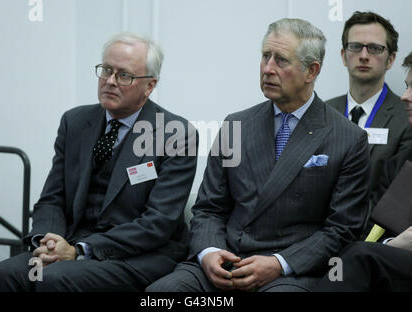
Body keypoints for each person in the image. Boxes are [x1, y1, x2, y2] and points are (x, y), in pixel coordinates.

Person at [147, 18, 370, 293]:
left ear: (311, 71)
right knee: (162, 294)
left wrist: (279, 263)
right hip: (225, 261)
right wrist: (209, 252)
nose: (267, 68)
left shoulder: (348, 139)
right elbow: (208, 208)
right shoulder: (236, 125)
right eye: (266, 56)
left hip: (290, 273)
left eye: (281, 61)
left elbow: (342, 230)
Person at [0, 32, 198, 292]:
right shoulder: (75, 122)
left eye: (124, 75)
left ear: (150, 86)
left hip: (138, 256)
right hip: (73, 244)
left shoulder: (174, 133)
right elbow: (52, 198)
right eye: (106, 70)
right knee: (7, 274)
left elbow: (157, 223)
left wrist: (80, 251)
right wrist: (47, 241)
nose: (110, 81)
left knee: (54, 278)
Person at [315, 51, 412, 292]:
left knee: (357, 257)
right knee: (349, 253)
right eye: (407, 86)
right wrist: (394, 243)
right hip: (396, 262)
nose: (405, 96)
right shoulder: (401, 164)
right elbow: (376, 230)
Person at [327, 11, 412, 205]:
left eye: (374, 48)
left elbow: (395, 197)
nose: (364, 56)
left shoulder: (406, 118)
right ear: (343, 55)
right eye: (356, 47)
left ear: (391, 59)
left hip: (372, 229)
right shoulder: (322, 113)